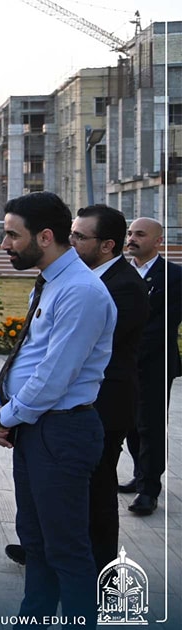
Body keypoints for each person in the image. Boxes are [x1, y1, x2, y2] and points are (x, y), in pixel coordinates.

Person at [0, 191, 115, 630]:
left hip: (62, 431)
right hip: (36, 428)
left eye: (12, 235)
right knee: (36, 542)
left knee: (67, 551)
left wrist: (7, 416)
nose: (5, 244)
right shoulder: (51, 282)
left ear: (44, 237)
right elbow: (27, 354)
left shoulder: (81, 292)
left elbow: (54, 376)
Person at [4, 204, 147, 572]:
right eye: (72, 233)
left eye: (80, 236)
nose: (72, 241)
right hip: (55, 411)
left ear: (107, 245)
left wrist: (8, 413)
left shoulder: (111, 287)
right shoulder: (61, 281)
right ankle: (46, 561)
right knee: (54, 513)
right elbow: (34, 350)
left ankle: (99, 571)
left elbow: (70, 360)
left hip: (97, 406)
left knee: (95, 498)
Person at [119, 217, 182, 515]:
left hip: (155, 363)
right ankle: (139, 473)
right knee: (129, 422)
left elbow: (164, 324)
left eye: (140, 234)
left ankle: (149, 489)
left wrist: (129, 348)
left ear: (158, 241)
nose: (132, 239)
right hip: (122, 364)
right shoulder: (119, 273)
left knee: (151, 425)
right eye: (130, 233)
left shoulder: (175, 276)